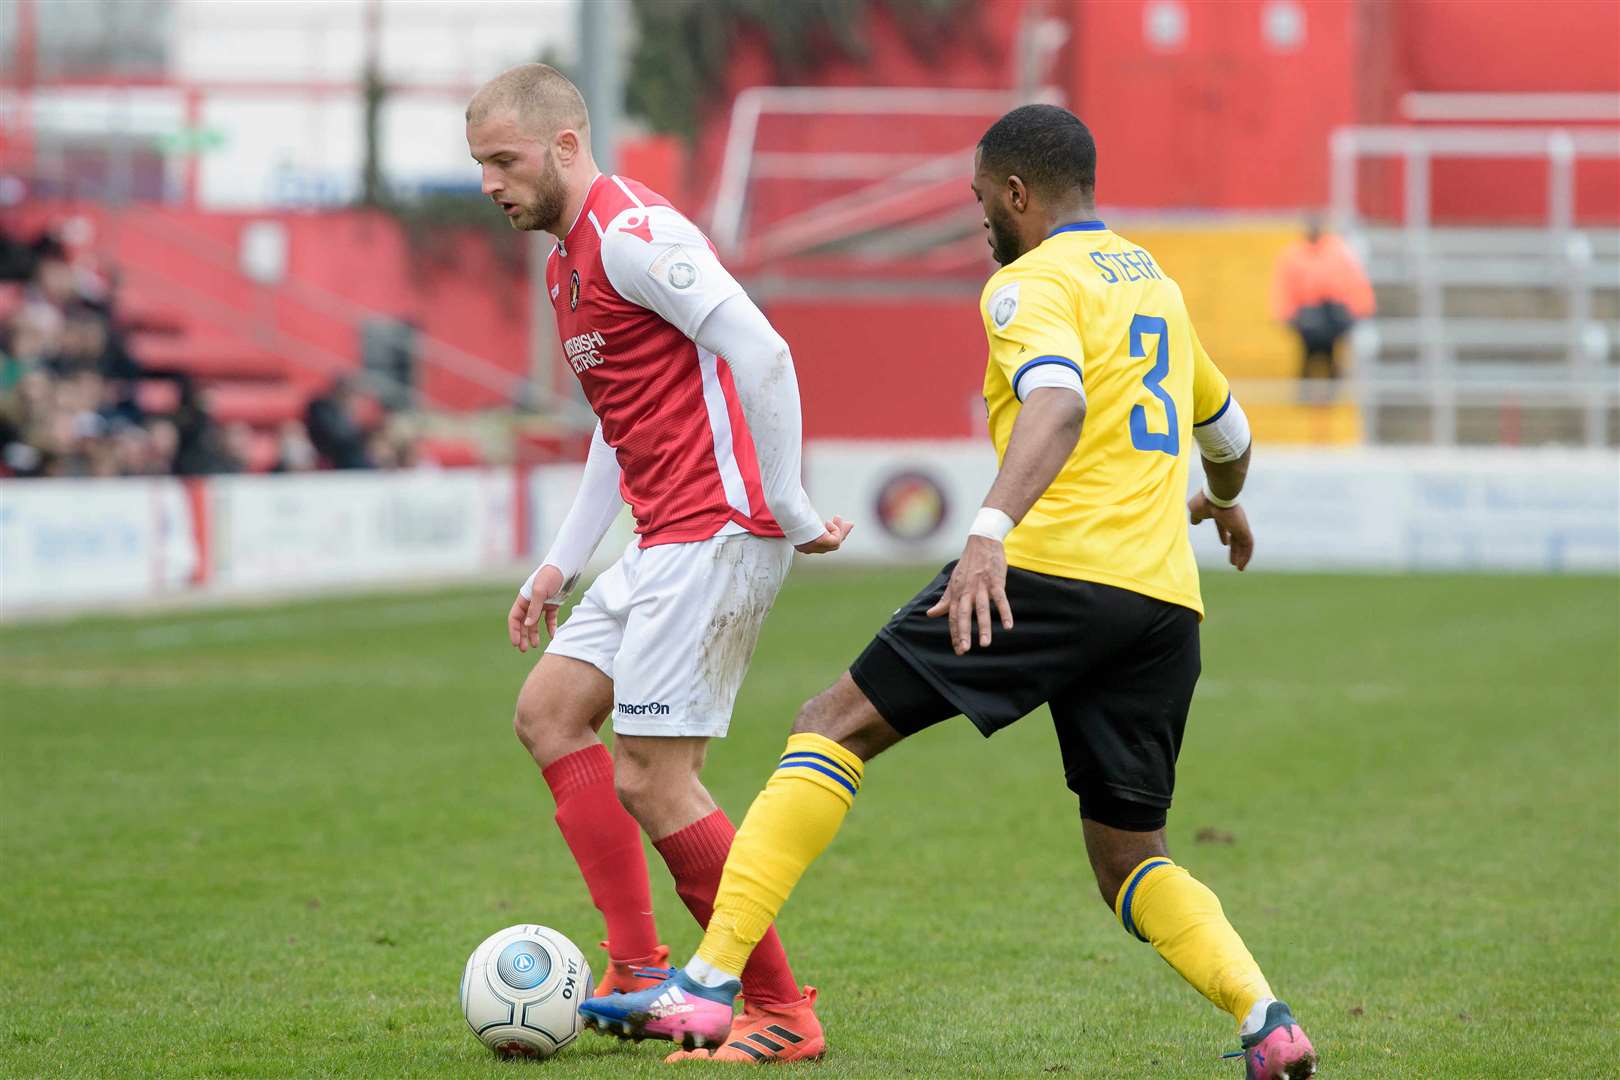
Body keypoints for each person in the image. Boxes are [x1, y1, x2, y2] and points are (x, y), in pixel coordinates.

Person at [582, 105, 1319, 1080]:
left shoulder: (1029, 286)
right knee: (1130, 858)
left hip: (1044, 576)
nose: (981, 225)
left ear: (1018, 194)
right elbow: (1229, 435)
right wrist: (1220, 505)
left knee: (830, 723)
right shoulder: (1156, 284)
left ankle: (711, 983)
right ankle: (1266, 1021)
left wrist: (987, 535)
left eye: (981, 204)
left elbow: (1057, 405)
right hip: (1159, 604)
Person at [465, 64, 851, 1064]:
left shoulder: (636, 235)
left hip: (717, 528)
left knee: (656, 779)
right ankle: (638, 970)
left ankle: (776, 1010)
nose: (490, 184)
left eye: (503, 162)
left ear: (563, 146)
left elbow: (763, 352)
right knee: (548, 713)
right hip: (660, 535)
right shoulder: (565, 265)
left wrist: (791, 505)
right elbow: (616, 421)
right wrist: (559, 563)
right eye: (479, 166)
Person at [1271, 218, 1373, 382]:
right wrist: (1287, 314)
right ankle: (1306, 393)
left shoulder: (1337, 251)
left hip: (1333, 314)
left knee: (1330, 357)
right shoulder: (1295, 255)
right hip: (1308, 315)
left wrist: (1360, 309)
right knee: (1309, 356)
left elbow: (1353, 281)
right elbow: (1285, 286)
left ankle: (1330, 389)